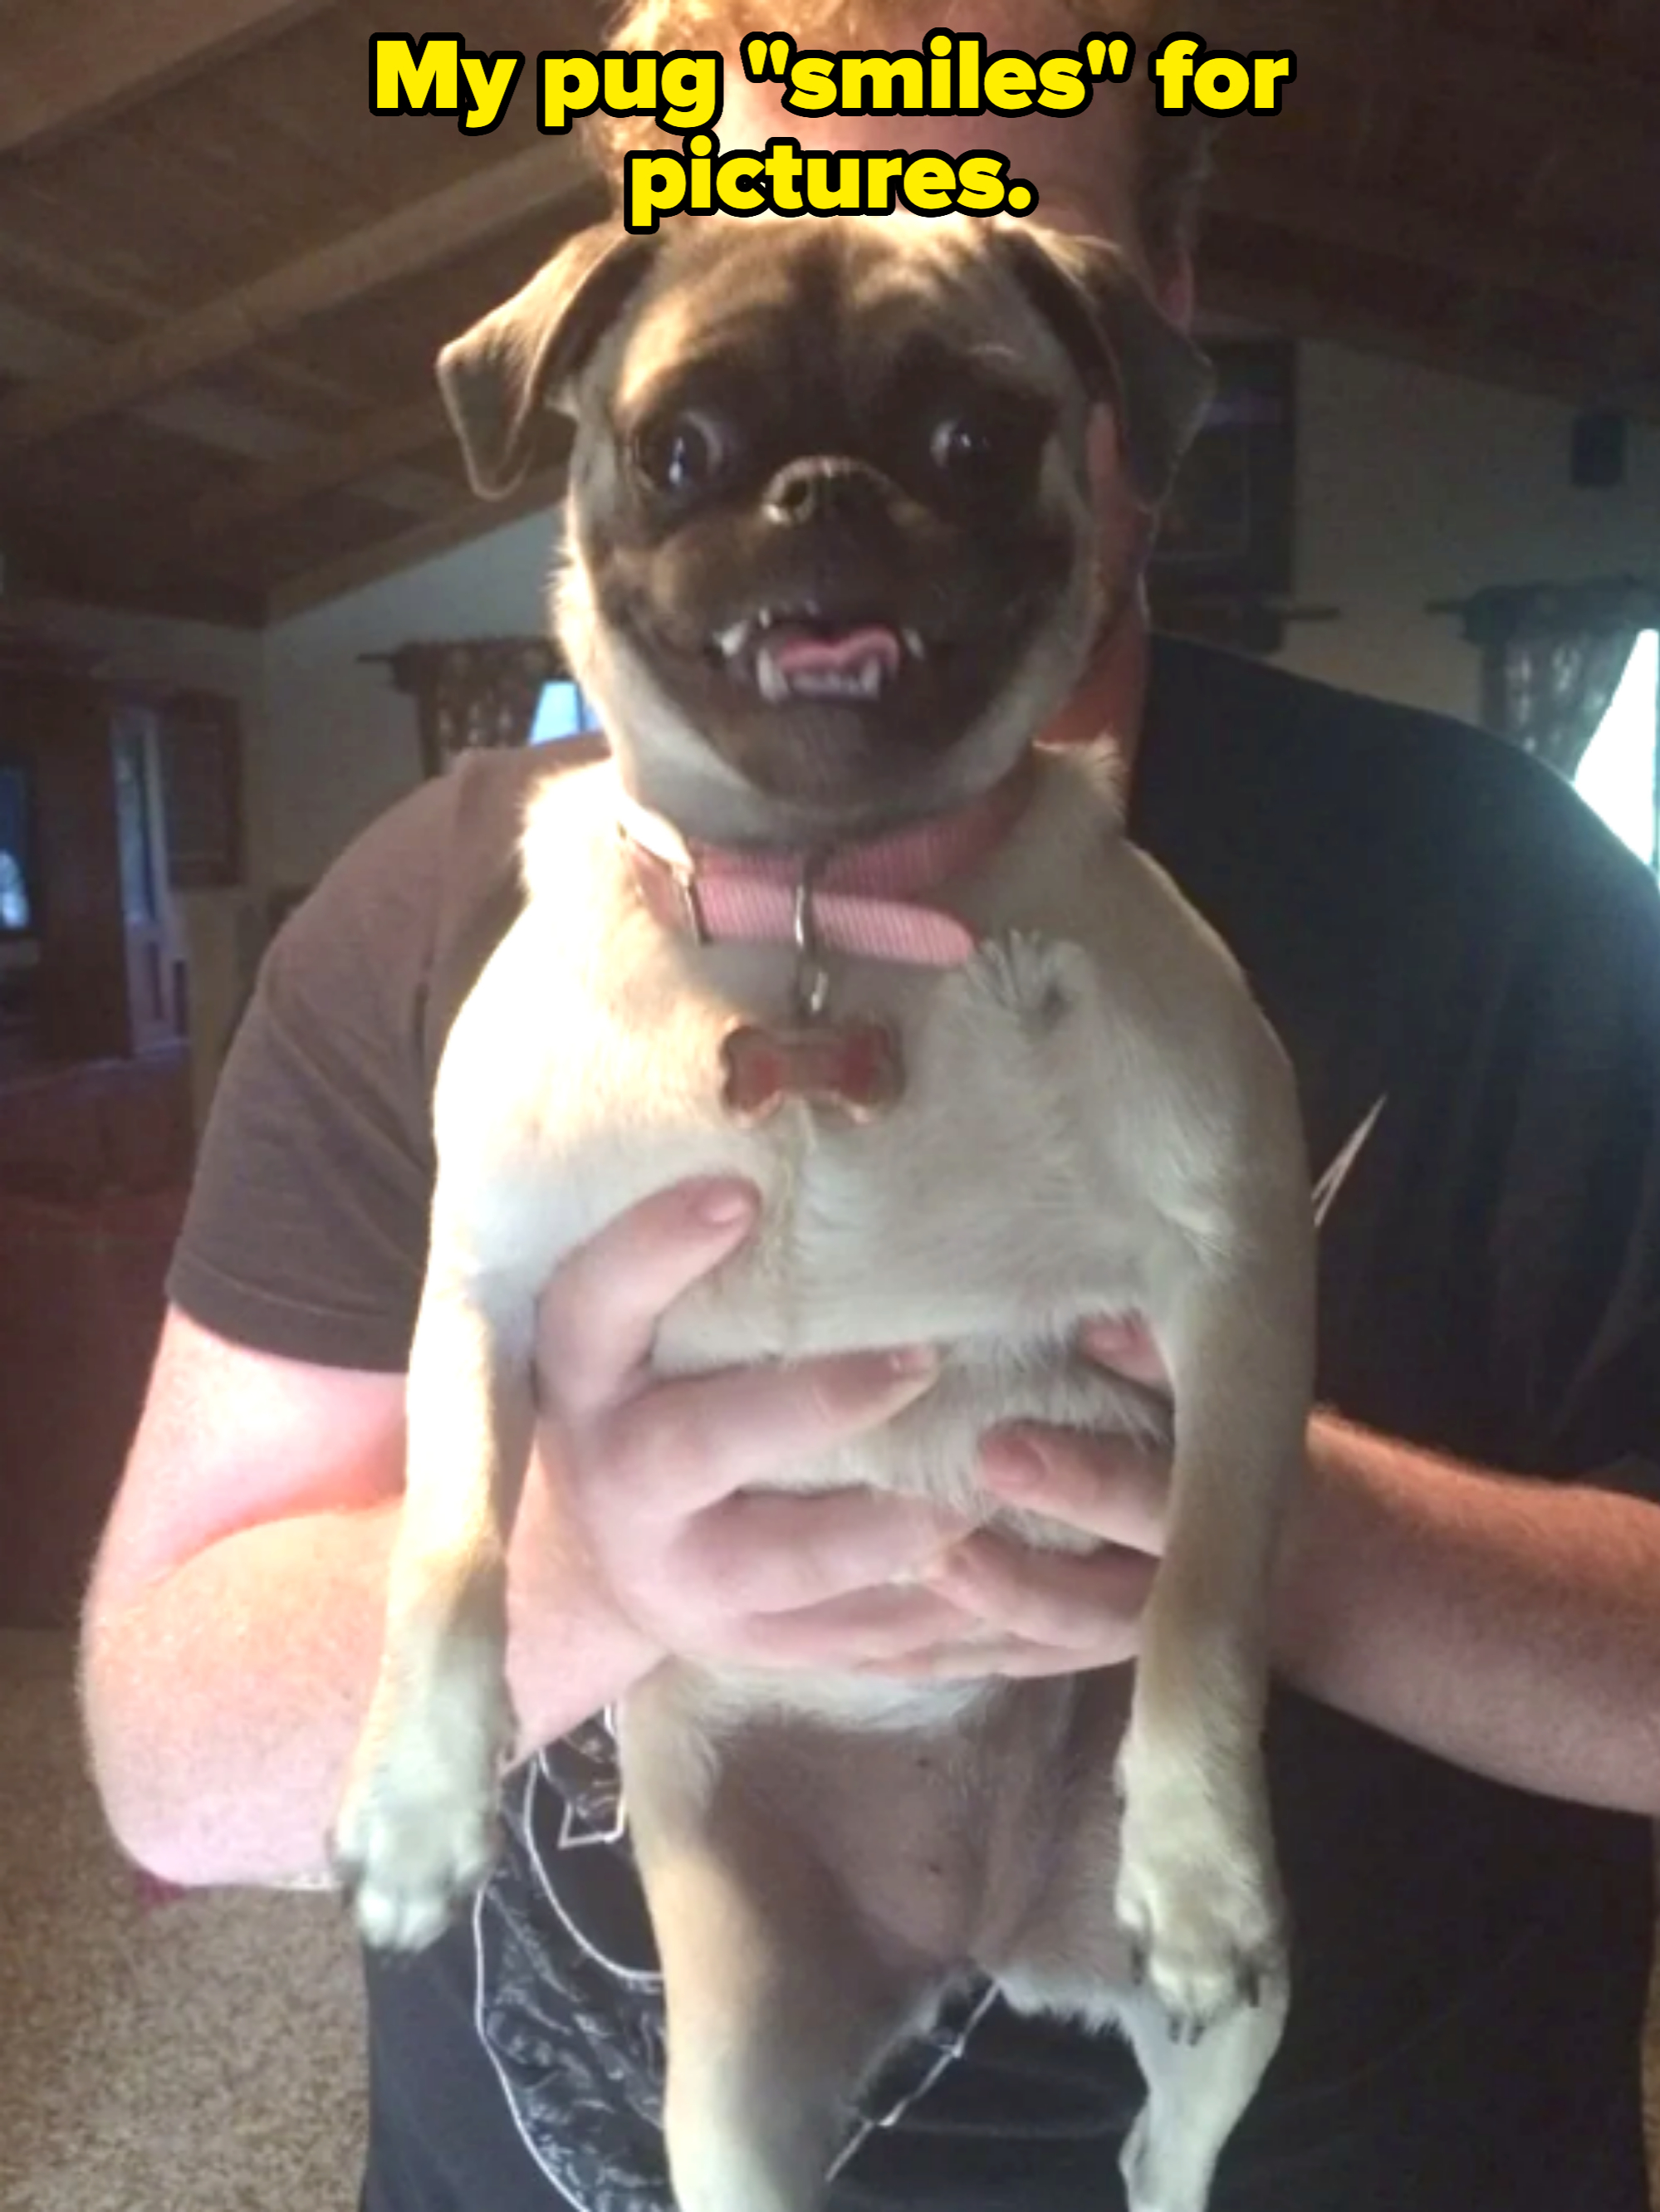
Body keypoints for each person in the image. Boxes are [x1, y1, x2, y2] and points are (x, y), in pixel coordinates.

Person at [78, 4, 1660, 2209]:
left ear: (1141, 334)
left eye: (955, 383)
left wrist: (1263, 1528)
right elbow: (168, 1763)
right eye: (712, 409)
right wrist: (591, 1563)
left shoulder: (1514, 900)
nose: (832, 480)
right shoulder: (420, 927)